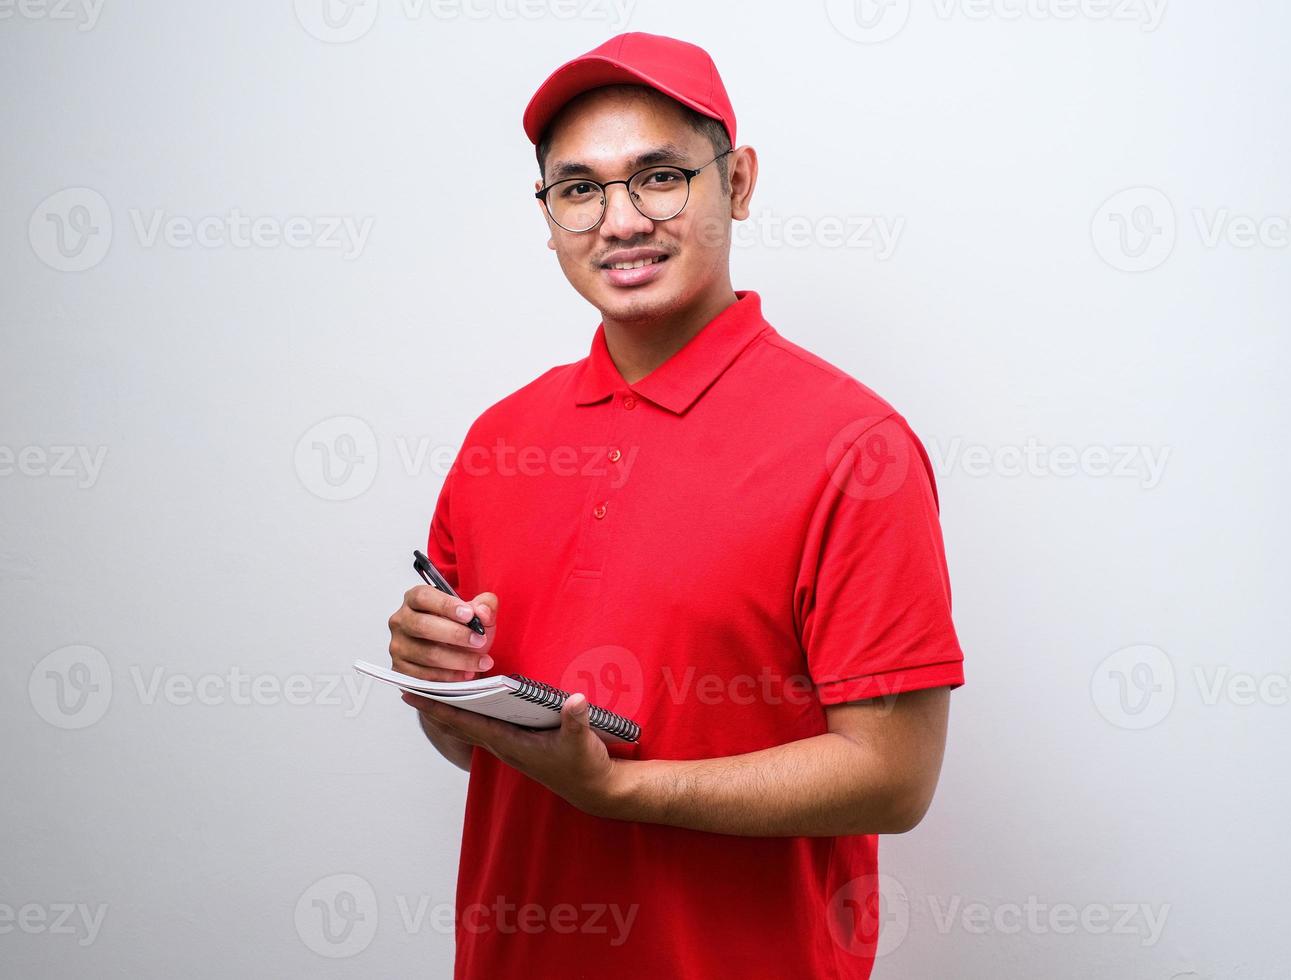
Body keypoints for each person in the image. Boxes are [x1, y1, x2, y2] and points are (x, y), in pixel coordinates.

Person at [386, 31, 965, 980]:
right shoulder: (500, 439)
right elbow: (472, 743)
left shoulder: (858, 449)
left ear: (736, 182)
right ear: (549, 215)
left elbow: (894, 779)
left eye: (659, 177)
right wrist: (444, 683)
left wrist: (625, 792)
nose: (619, 221)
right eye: (579, 189)